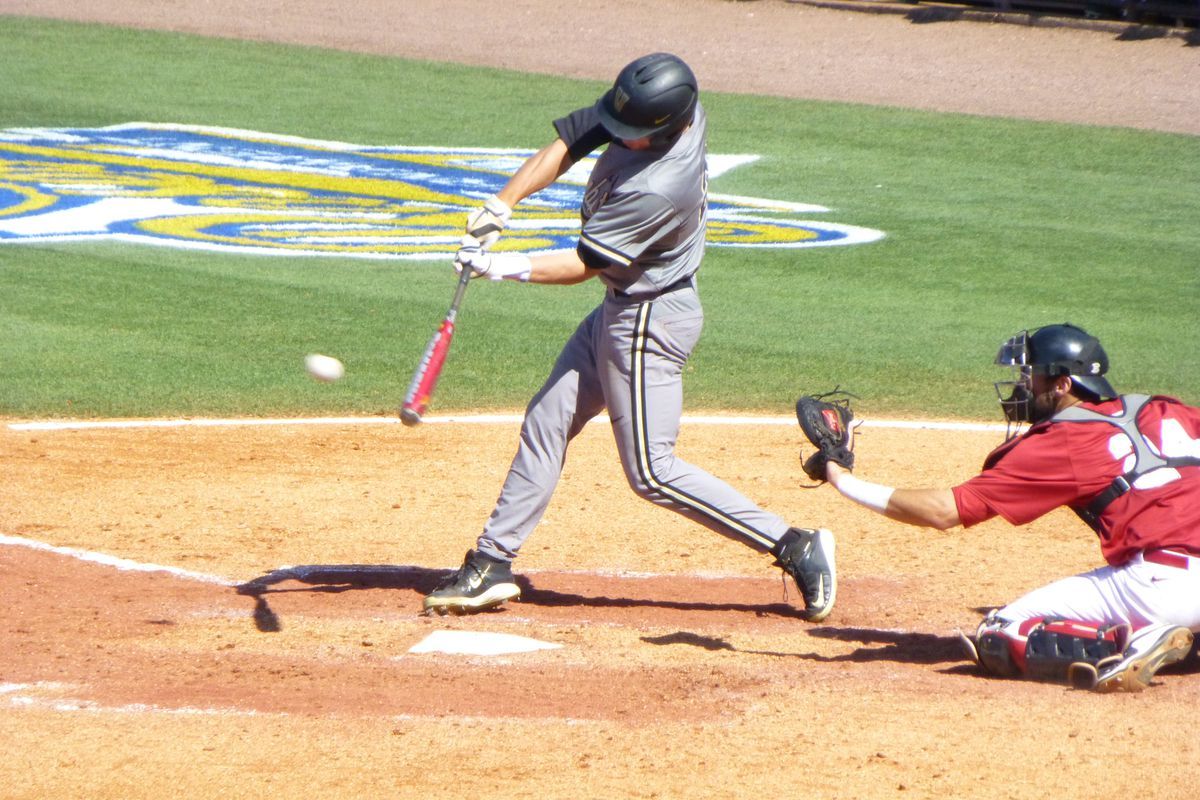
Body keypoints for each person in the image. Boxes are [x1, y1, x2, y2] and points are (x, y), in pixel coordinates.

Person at [422, 53, 835, 621]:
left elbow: (584, 263)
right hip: (621, 311)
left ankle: (794, 544)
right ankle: (492, 562)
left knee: (651, 471)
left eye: (632, 134)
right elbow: (573, 140)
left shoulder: (661, 186)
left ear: (666, 129)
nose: (619, 137)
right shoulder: (658, 107)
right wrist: (503, 202)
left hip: (649, 321)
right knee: (547, 419)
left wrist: (500, 266)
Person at [821, 322, 1200, 692]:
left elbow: (943, 511)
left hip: (1160, 587)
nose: (1022, 385)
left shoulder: (1066, 440)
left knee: (1001, 632)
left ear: (1062, 384)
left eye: (1031, 375)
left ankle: (1136, 641)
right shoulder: (1165, 410)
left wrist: (843, 480)